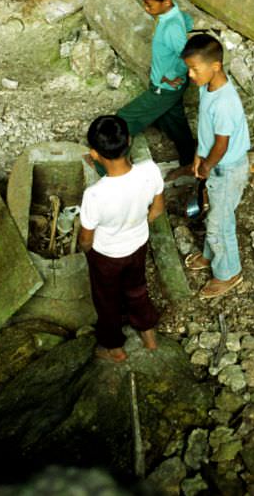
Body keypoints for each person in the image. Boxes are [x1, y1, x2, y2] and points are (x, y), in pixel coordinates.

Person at [79, 114, 164, 363]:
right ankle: (149, 336)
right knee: (137, 289)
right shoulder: (150, 170)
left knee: (107, 300)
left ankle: (114, 347)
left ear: (94, 154)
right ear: (128, 140)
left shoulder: (94, 195)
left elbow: (86, 238)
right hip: (138, 245)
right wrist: (134, 224)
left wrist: (86, 251)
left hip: (107, 255)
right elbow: (157, 210)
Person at [100, 0, 195, 180]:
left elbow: (187, 54)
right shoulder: (172, 14)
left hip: (165, 88)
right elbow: (189, 22)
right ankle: (190, 160)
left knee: (124, 119)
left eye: (149, 4)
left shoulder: (171, 28)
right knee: (175, 122)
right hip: (169, 87)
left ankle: (106, 165)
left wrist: (173, 76)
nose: (146, 8)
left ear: (167, 1)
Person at [181, 33, 250, 299]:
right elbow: (207, 131)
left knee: (220, 223)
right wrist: (199, 154)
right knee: (216, 216)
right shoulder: (207, 88)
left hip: (227, 169)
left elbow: (221, 143)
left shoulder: (224, 103)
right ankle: (212, 255)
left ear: (215, 66)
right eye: (189, 68)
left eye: (194, 69)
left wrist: (207, 165)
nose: (190, 75)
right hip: (217, 164)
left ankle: (228, 273)